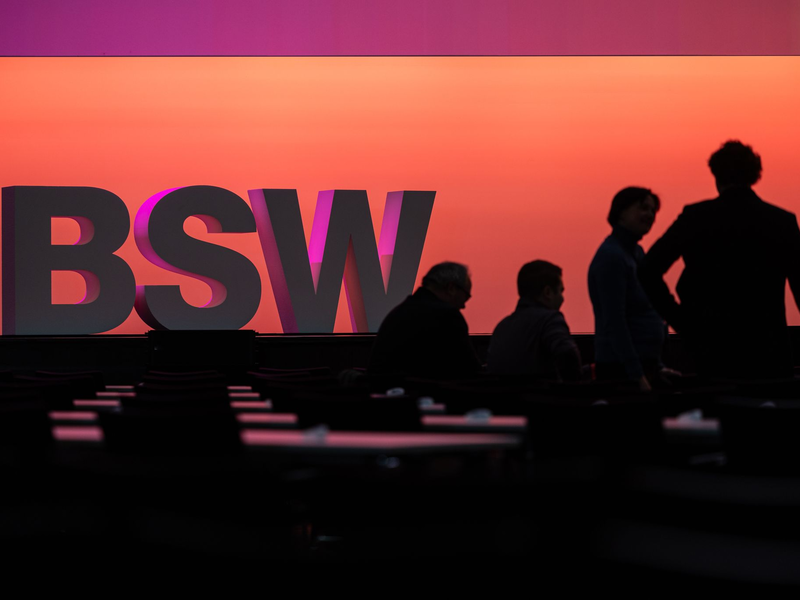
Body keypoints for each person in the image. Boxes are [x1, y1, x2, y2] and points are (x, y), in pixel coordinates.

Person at [639, 140, 800, 379]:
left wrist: (682, 323)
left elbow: (648, 270)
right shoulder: (782, 222)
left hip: (710, 350)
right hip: (769, 351)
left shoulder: (695, 217)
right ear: (755, 175)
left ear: (716, 175)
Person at [588, 187, 667, 391]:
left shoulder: (637, 253)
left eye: (653, 210)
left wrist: (657, 366)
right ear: (621, 212)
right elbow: (615, 321)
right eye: (643, 208)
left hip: (644, 366)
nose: (650, 215)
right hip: (622, 371)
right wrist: (637, 375)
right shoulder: (612, 257)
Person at [368, 261, 481, 379]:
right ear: (451, 288)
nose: (463, 306)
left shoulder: (400, 311)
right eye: (466, 296)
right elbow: (470, 370)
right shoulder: (447, 316)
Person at [487, 260, 581, 381]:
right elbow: (568, 356)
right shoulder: (550, 320)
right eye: (560, 291)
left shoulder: (501, 328)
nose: (562, 298)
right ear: (547, 292)